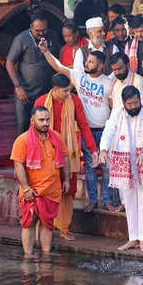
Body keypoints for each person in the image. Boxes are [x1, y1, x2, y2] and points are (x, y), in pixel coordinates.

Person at [38, 42, 116, 212]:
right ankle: (93, 200)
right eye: (86, 61)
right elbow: (58, 66)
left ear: (101, 65)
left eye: (91, 62)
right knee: (90, 167)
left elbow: (113, 106)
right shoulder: (79, 77)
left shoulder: (109, 82)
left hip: (105, 131)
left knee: (107, 166)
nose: (86, 64)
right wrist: (45, 51)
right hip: (87, 130)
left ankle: (108, 201)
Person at [33, 74, 98, 241]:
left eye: (69, 90)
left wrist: (93, 149)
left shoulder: (74, 101)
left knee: (67, 191)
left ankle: (64, 228)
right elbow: (32, 129)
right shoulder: (41, 102)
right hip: (46, 153)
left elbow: (83, 125)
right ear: (54, 90)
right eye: (65, 91)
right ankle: (44, 226)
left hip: (68, 152)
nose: (68, 94)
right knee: (47, 190)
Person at [99, 85, 143, 252]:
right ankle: (132, 238)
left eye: (136, 103)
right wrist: (103, 149)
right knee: (129, 200)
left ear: (140, 99)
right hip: (124, 160)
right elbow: (109, 130)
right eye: (130, 104)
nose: (133, 107)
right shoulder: (117, 113)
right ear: (124, 103)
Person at [10, 106, 70, 257]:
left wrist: (67, 179)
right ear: (32, 120)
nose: (45, 123)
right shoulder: (22, 140)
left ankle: (45, 257)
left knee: (47, 224)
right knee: (29, 223)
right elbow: (18, 165)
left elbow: (65, 158)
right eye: (41, 120)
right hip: (31, 190)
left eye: (47, 119)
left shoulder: (56, 137)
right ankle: (28, 256)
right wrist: (25, 188)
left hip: (52, 189)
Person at [6, 14, 61, 134]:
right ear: (31, 27)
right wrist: (17, 86)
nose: (41, 33)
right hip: (25, 93)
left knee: (47, 125)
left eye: (44, 30)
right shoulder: (21, 39)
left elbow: (59, 60)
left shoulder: (53, 37)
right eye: (37, 31)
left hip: (47, 92)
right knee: (23, 125)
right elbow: (9, 62)